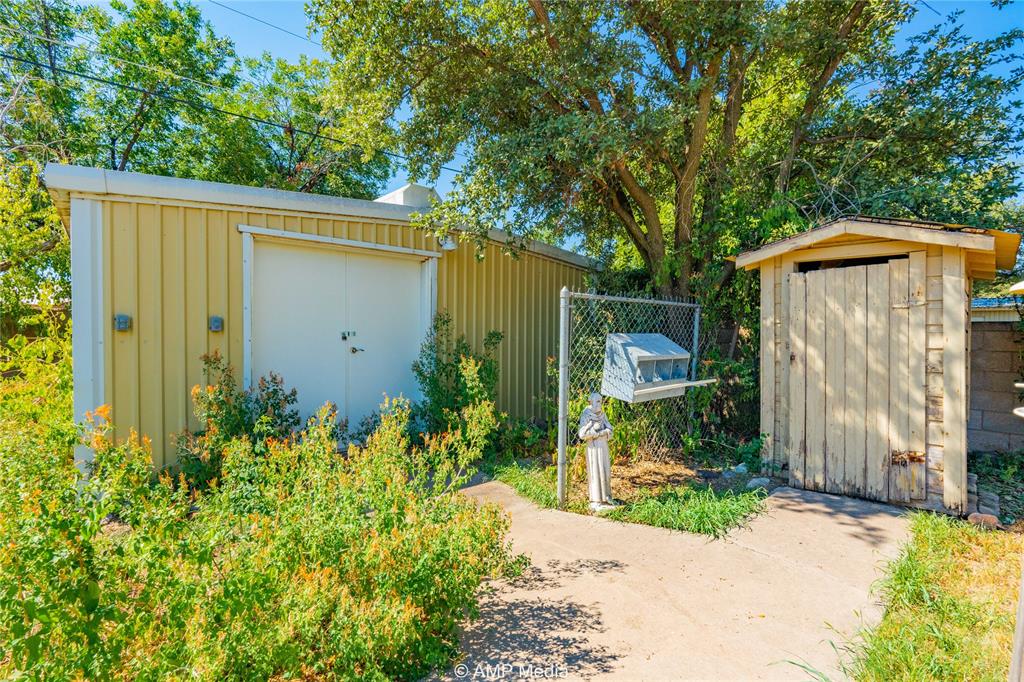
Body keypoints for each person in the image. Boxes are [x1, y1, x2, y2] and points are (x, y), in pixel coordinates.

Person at [578, 392, 615, 511]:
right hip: (593, 448)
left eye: (601, 401)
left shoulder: (602, 414)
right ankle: (596, 500)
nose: (600, 403)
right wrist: (595, 433)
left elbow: (610, 429)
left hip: (603, 446)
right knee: (595, 471)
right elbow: (582, 434)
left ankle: (606, 497)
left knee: (605, 469)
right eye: (598, 401)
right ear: (591, 402)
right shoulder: (586, 415)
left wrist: (605, 432)